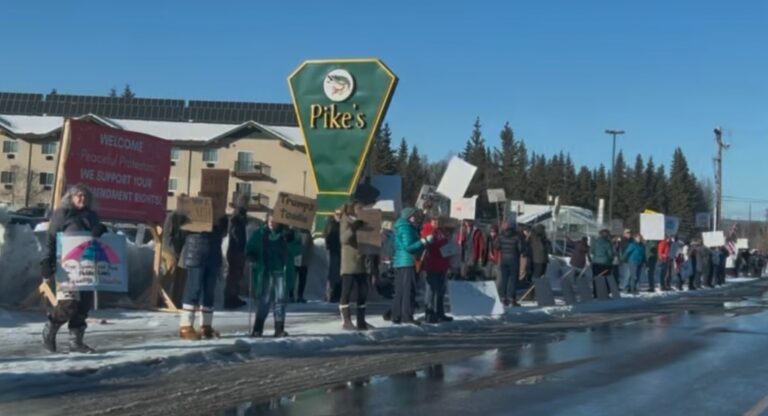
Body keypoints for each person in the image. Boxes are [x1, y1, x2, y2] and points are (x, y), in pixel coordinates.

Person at [41, 184, 102, 353]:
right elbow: (51, 239)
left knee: (83, 305)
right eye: (79, 195)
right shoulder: (62, 214)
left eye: (85, 196)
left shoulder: (92, 216)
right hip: (67, 267)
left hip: (87, 267)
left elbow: (99, 241)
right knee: (68, 304)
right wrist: (46, 261)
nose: (82, 199)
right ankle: (50, 329)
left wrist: (100, 231)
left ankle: (76, 341)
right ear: (71, 197)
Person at [177, 214, 228, 340]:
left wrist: (222, 220)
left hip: (213, 253)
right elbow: (181, 227)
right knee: (194, 288)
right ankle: (186, 325)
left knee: (209, 291)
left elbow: (223, 231)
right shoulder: (192, 211)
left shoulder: (218, 213)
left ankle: (206, 325)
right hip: (196, 253)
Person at [247, 215, 293, 337]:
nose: (271, 223)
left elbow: (297, 249)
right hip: (266, 272)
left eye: (274, 220)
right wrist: (251, 255)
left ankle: (279, 328)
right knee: (265, 299)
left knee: (280, 300)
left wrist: (290, 239)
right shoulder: (260, 234)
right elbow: (251, 247)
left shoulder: (285, 234)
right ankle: (258, 328)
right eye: (270, 220)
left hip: (281, 272)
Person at [392, 208, 430, 324]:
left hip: (401, 262)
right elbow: (409, 247)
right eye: (413, 216)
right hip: (408, 261)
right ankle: (407, 316)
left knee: (400, 290)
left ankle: (397, 314)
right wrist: (423, 242)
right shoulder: (406, 228)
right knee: (409, 289)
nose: (414, 218)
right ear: (408, 217)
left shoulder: (403, 227)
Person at [339, 201, 372, 330]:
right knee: (346, 292)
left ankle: (361, 321)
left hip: (361, 261)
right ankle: (346, 320)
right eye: (359, 208)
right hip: (349, 263)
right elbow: (343, 239)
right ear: (352, 209)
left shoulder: (363, 222)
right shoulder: (346, 221)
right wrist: (353, 228)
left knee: (362, 292)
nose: (361, 210)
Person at [421, 216, 453, 322]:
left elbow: (445, 243)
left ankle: (440, 312)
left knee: (441, 290)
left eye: (438, 220)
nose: (436, 222)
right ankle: (429, 313)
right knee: (431, 290)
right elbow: (429, 246)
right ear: (430, 221)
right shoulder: (427, 230)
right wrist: (442, 244)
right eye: (434, 220)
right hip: (432, 264)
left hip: (442, 264)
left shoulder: (441, 231)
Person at [224, 195, 248, 310]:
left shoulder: (240, 216)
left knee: (236, 275)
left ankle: (234, 297)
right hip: (236, 250)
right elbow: (235, 233)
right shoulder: (237, 217)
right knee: (234, 275)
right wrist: (239, 246)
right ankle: (230, 298)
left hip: (237, 249)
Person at [498, 219, 524, 306]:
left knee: (504, 279)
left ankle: (503, 298)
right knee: (513, 280)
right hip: (514, 259)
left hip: (503, 259)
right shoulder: (517, 236)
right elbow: (521, 249)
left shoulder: (501, 235)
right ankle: (511, 298)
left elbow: (496, 246)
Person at [324, 209, 342, 303]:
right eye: (337, 214)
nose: (339, 216)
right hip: (333, 251)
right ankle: (331, 294)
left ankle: (337, 294)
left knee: (339, 274)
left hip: (340, 251)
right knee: (333, 274)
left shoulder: (342, 225)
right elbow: (327, 236)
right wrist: (328, 246)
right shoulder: (331, 225)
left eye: (340, 214)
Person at [590, 229, 614, 297]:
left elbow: (592, 251)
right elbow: (610, 254)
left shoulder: (595, 242)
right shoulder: (608, 243)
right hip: (605, 263)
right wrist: (611, 259)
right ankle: (604, 293)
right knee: (605, 278)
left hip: (595, 262)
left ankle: (595, 293)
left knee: (596, 278)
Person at [294, 229, 313, 303]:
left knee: (302, 279)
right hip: (295, 259)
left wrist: (309, 257)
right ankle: (291, 295)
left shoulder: (308, 234)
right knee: (293, 278)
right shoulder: (294, 232)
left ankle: (300, 295)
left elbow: (310, 247)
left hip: (304, 260)